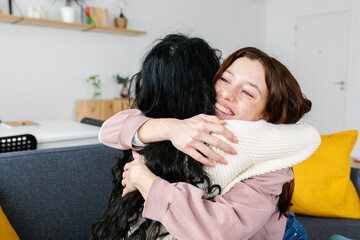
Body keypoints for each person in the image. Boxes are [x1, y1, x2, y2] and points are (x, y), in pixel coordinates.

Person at [95, 35, 320, 240]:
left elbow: (221, 229)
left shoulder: (269, 158)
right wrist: (170, 128)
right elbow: (109, 130)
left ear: (266, 114)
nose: (226, 94)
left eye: (248, 92)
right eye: (225, 79)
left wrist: (144, 180)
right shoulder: (195, 117)